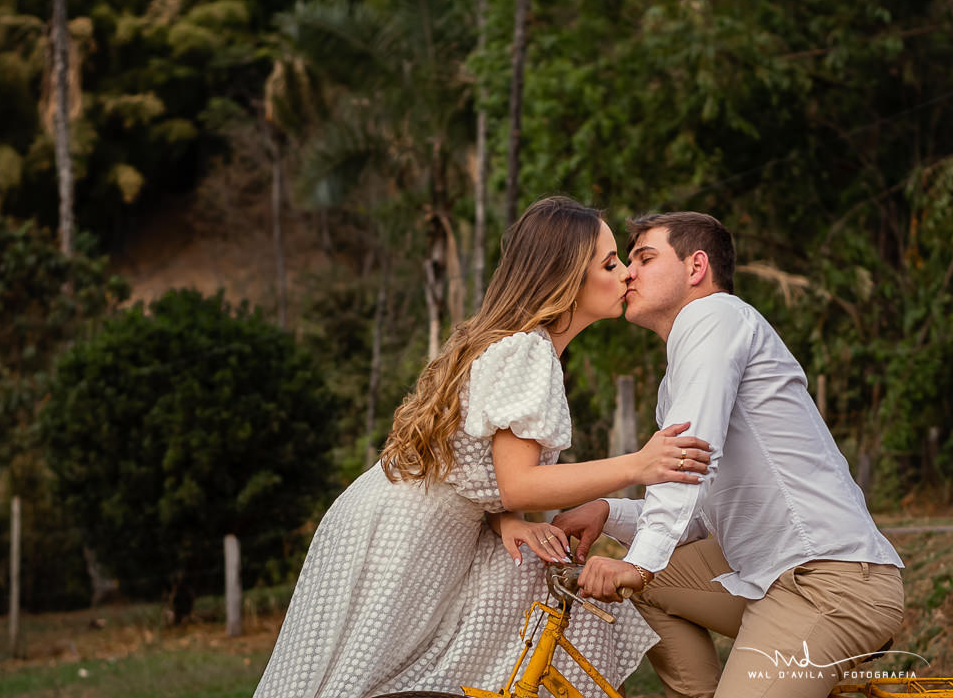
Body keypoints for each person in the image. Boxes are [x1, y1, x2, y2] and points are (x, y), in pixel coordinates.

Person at [252, 197, 714, 698]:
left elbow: (473, 468)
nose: (626, 273)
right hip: (402, 537)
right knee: (345, 682)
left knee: (350, 678)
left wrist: (502, 519)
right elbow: (518, 484)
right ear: (565, 279)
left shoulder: (525, 345)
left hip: (405, 523)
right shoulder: (528, 350)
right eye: (609, 263)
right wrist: (639, 464)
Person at [556, 211, 905, 698]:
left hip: (826, 581)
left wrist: (637, 563)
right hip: (764, 574)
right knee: (645, 583)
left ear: (696, 267)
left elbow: (687, 458)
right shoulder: (676, 379)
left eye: (645, 257)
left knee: (642, 570)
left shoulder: (714, 314)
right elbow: (697, 517)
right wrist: (607, 511)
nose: (628, 272)